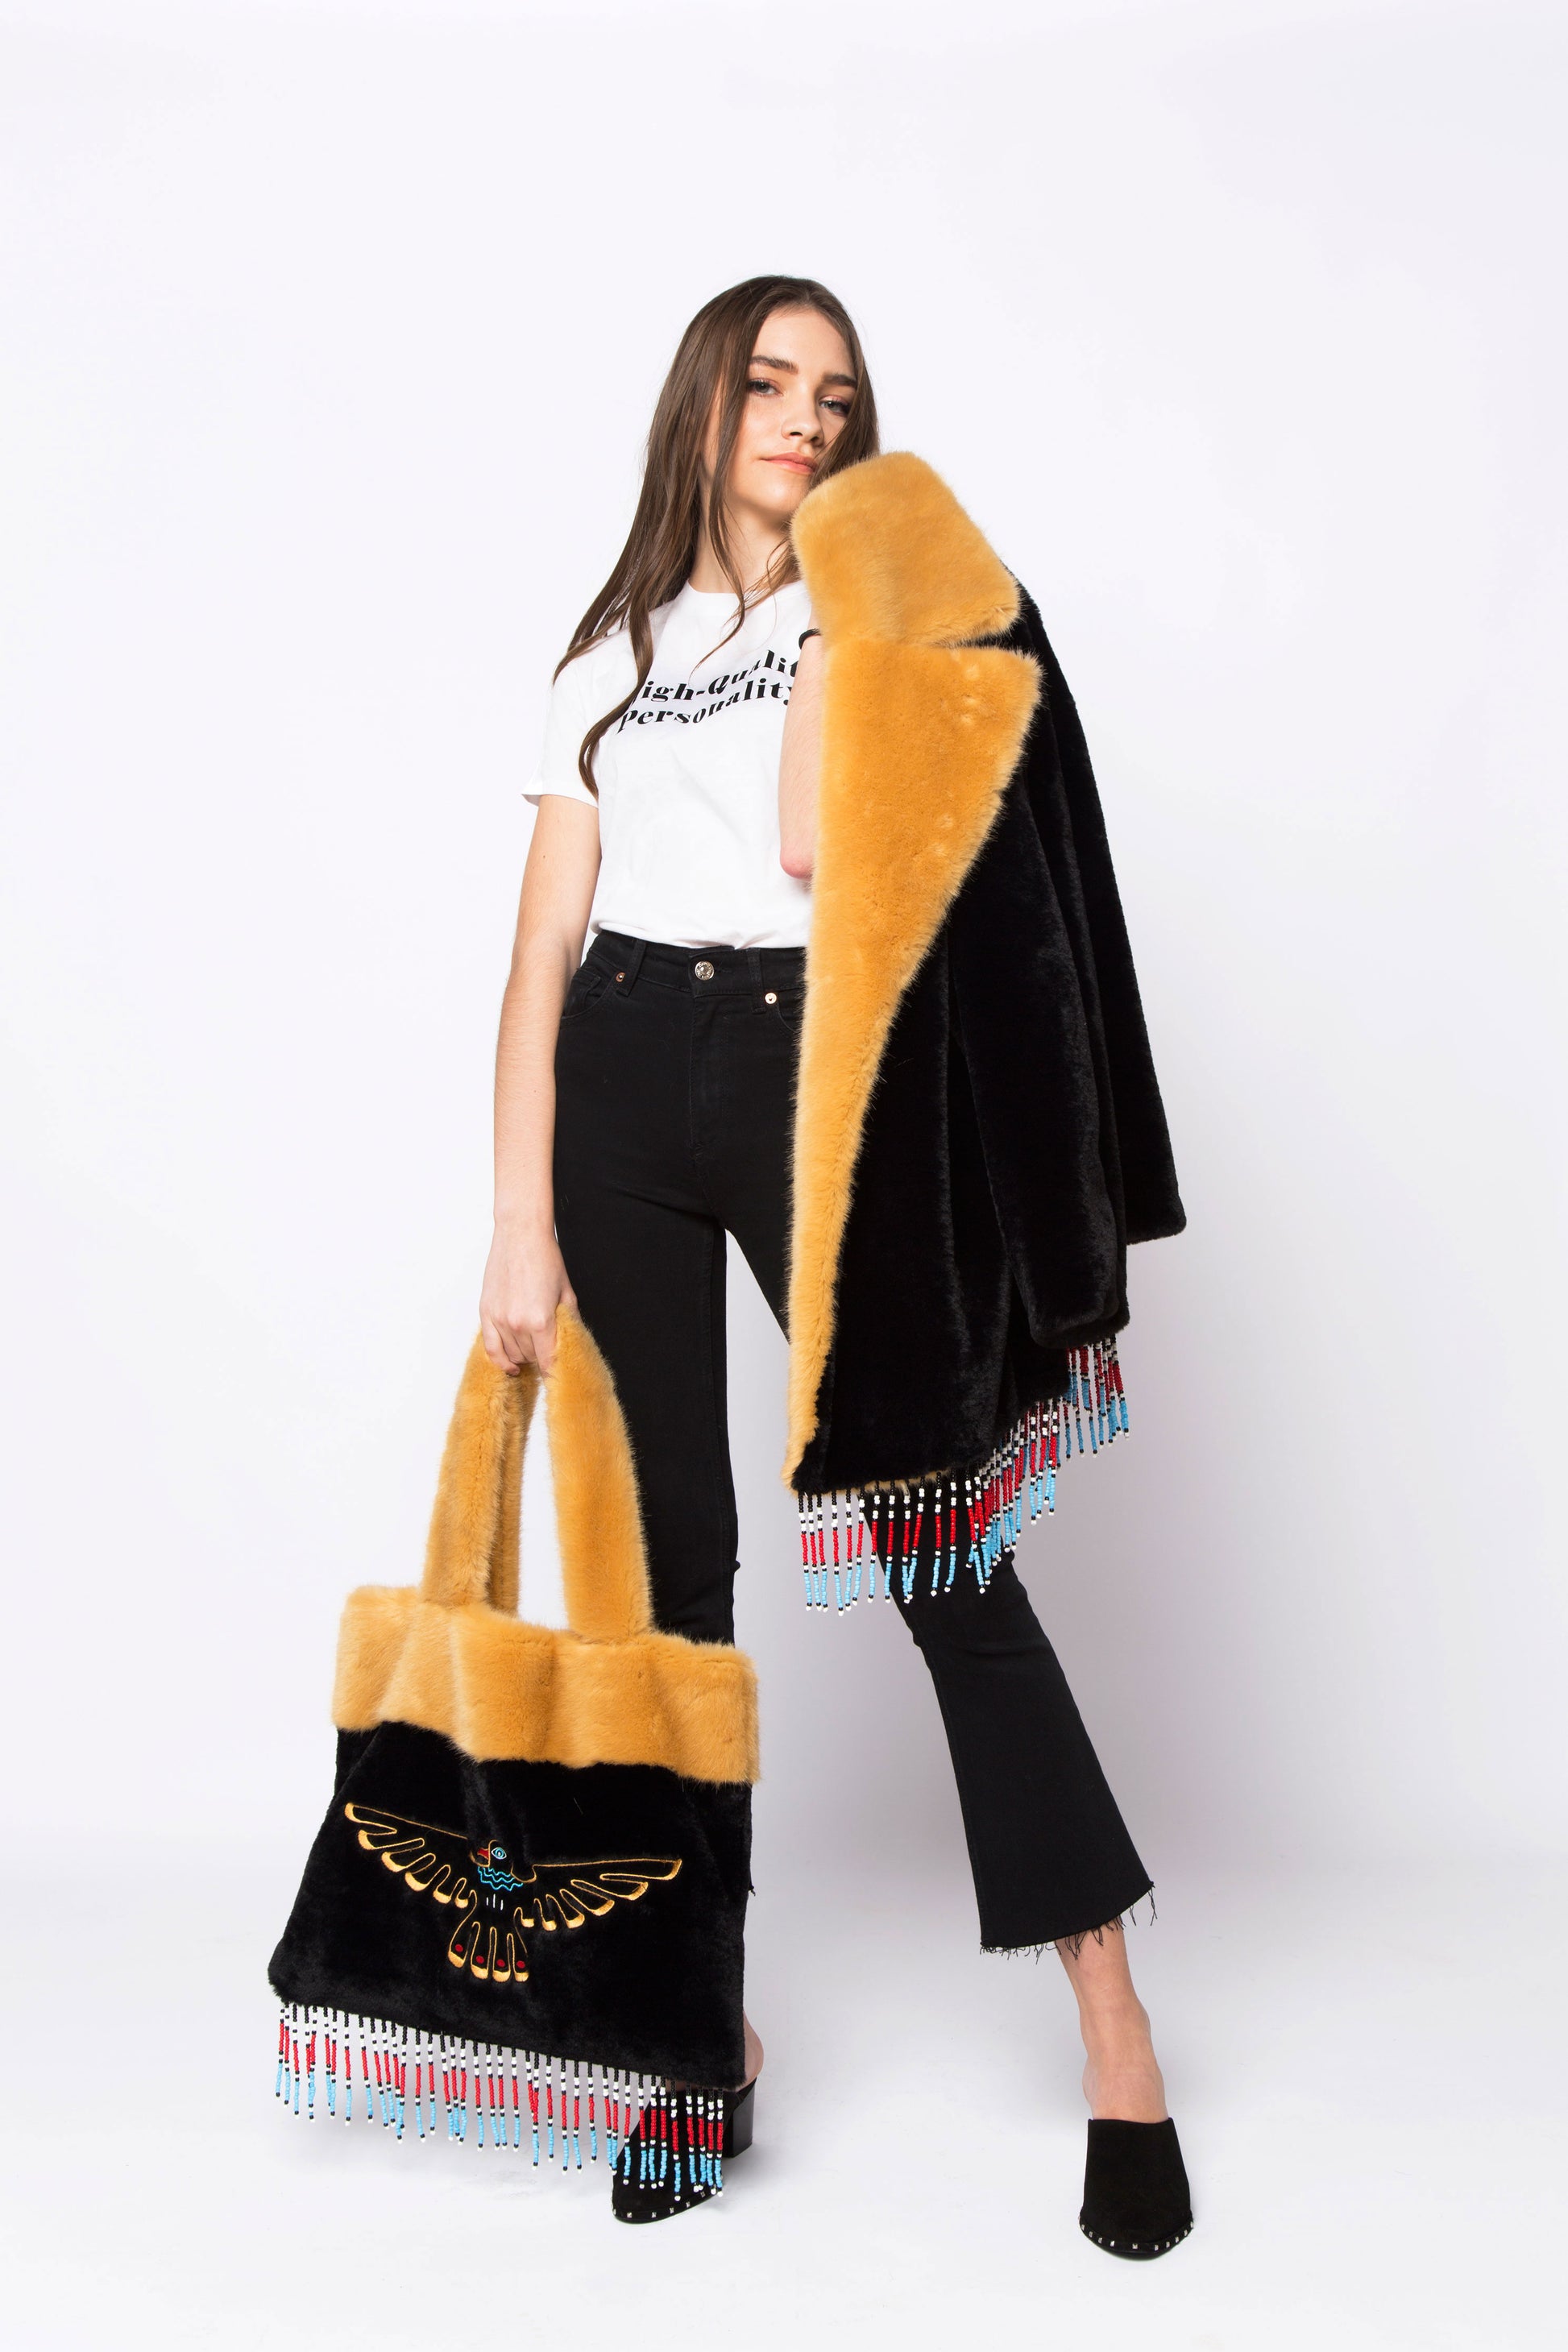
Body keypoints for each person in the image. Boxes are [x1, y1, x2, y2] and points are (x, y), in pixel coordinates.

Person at [480, 276, 1193, 2255]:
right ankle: (692, 2035)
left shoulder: (864, 607)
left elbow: (811, 849)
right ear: (702, 405)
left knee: (943, 1545)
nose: (805, 414)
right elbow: (540, 947)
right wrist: (519, 1212)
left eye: (838, 394)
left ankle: (1116, 2026)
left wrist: (838, 600)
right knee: (670, 1586)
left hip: (813, 1081)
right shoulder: (606, 653)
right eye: (771, 383)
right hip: (622, 1080)